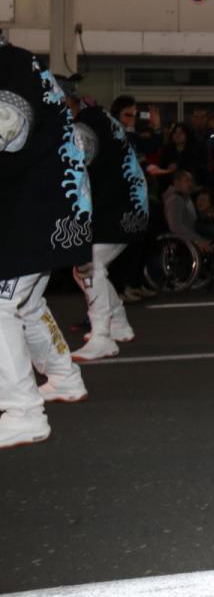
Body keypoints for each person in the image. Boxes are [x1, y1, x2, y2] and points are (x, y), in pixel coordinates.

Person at [0, 42, 93, 448]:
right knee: (27, 302)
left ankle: (23, 412)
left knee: (0, 304)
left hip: (37, 207)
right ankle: (63, 377)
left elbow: (8, 124)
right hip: (60, 202)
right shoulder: (22, 64)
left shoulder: (7, 69)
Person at [68, 94, 151, 361]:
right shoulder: (99, 119)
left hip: (119, 208)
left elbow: (75, 168)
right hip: (127, 204)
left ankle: (102, 335)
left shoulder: (85, 125)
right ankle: (118, 322)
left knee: (89, 265)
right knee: (87, 269)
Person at [164, 169, 214, 281]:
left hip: (192, 234)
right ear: (176, 182)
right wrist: (198, 240)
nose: (190, 184)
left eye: (191, 181)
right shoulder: (175, 200)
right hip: (184, 240)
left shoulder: (185, 197)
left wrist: (206, 215)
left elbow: (191, 219)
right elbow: (175, 227)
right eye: (187, 181)